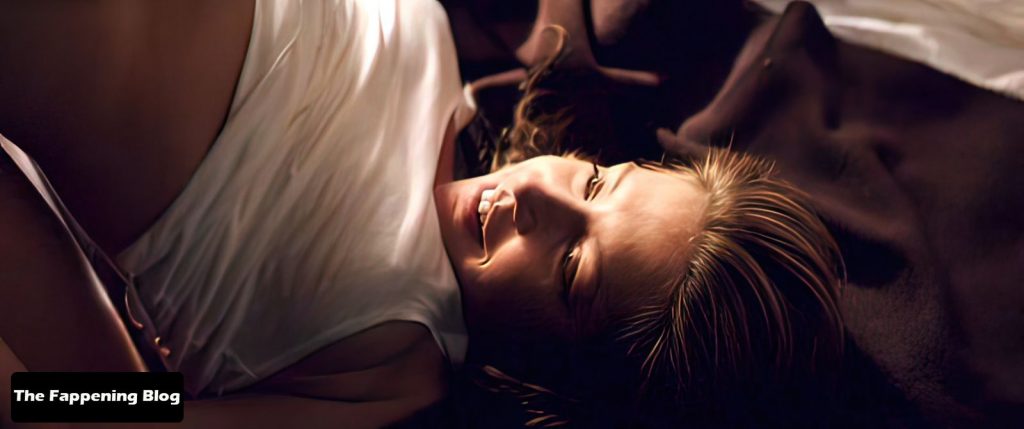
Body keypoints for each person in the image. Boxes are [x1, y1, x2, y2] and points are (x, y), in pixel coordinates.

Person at [0, 0, 846, 427]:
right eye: (595, 184)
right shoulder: (457, 90)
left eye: (572, 268)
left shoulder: (394, 369)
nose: (536, 196)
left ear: (557, 370)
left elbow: (102, 412)